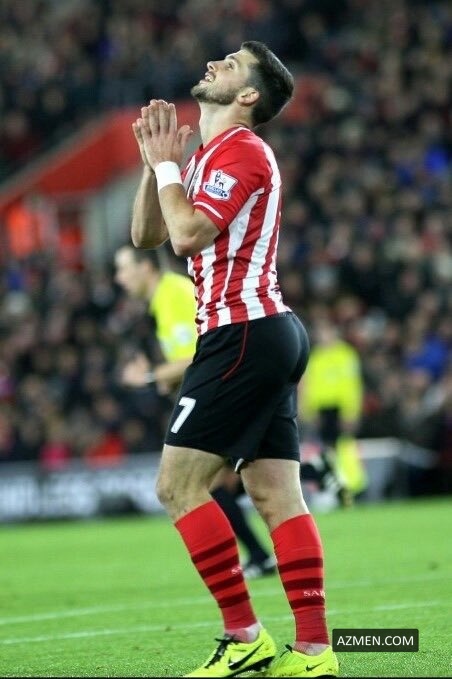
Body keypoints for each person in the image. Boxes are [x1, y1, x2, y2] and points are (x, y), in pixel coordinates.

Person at [131, 40, 339, 678]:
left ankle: (244, 636)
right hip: (264, 331)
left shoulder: (243, 150)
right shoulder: (204, 157)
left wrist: (169, 171)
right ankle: (315, 652)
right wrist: (156, 165)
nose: (215, 63)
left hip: (241, 331)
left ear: (248, 95)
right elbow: (148, 235)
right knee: (275, 495)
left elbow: (188, 234)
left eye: (232, 64)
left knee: (177, 486)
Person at [114, 244, 277, 578]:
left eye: (124, 268)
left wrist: (149, 376)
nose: (120, 278)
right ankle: (260, 553)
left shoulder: (171, 294)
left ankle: (250, 560)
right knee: (231, 478)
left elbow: (195, 358)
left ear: (146, 267)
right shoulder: (166, 296)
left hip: (221, 390)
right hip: (229, 384)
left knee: (198, 482)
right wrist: (163, 378)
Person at [300, 317, 367, 501]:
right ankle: (333, 489)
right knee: (325, 450)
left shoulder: (346, 355)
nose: (324, 335)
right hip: (322, 410)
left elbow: (353, 385)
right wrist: (309, 410)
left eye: (327, 331)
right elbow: (308, 385)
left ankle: (353, 486)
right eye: (321, 332)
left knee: (345, 446)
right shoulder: (315, 357)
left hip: (341, 409)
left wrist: (351, 412)